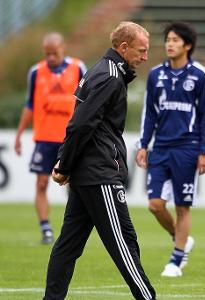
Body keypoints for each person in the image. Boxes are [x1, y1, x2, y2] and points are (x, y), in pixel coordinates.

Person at [44, 22, 156, 299]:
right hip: (100, 175)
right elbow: (81, 125)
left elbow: (77, 122)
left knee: (67, 247)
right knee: (124, 244)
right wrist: (65, 164)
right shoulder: (110, 77)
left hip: (87, 174)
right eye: (141, 51)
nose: (145, 57)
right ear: (124, 48)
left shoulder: (98, 70)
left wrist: (65, 163)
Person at [135, 22, 205, 278]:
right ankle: (180, 238)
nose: (169, 43)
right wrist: (143, 144)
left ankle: (176, 260)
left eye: (175, 40)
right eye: (168, 39)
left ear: (187, 46)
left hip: (188, 148)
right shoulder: (156, 75)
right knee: (155, 205)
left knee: (182, 206)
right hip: (160, 148)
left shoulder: (200, 75)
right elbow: (149, 113)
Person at [14, 32, 86, 245]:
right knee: (42, 182)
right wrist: (19, 134)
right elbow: (30, 105)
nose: (51, 58)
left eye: (54, 53)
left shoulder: (78, 67)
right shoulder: (36, 72)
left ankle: (75, 228)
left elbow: (87, 101)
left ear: (63, 47)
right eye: (47, 54)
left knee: (74, 184)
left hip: (69, 137)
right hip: (44, 138)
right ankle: (46, 229)